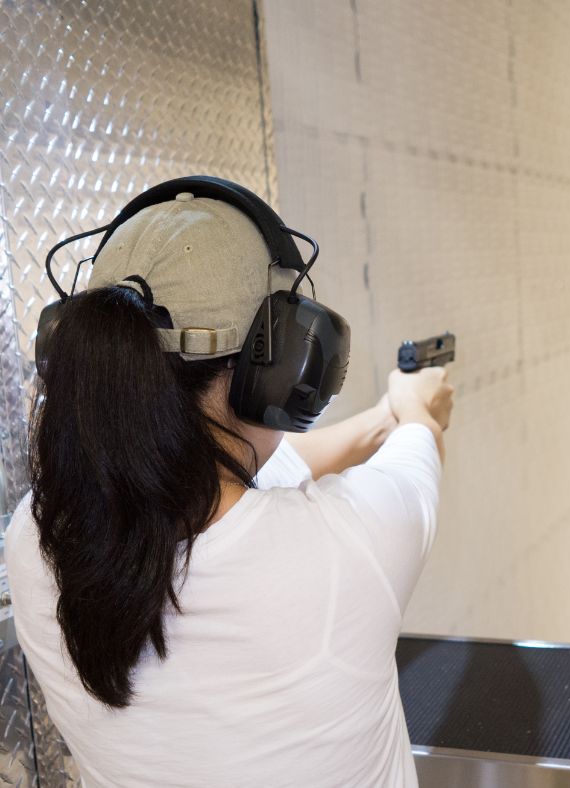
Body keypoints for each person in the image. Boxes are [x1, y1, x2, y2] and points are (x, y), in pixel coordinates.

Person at [5, 187, 454, 787]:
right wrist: (415, 407)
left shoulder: (33, 538)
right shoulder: (348, 548)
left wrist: (381, 417)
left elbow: (254, 474)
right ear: (271, 373)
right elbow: (421, 449)